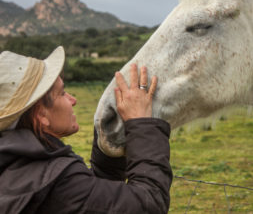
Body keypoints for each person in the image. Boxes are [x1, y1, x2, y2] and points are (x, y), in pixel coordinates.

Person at [0, 46, 172, 213]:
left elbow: (92, 202)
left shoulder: (18, 166)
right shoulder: (55, 182)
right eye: (62, 93)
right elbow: (150, 203)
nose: (72, 100)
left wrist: (107, 137)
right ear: (40, 114)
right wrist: (141, 123)